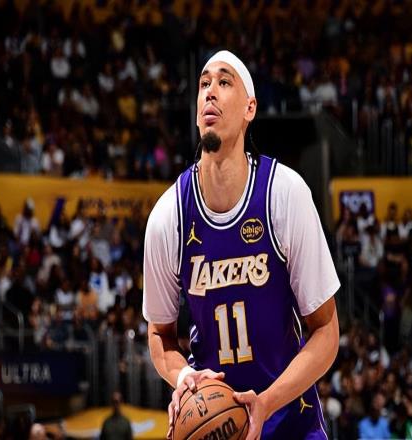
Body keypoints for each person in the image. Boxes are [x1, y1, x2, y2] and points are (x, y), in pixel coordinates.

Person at [143, 50, 340, 439]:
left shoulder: (284, 194)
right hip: (216, 424)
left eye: (223, 82)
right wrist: (182, 376)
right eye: (204, 84)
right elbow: (159, 335)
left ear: (250, 107)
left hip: (290, 420)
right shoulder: (169, 215)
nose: (210, 92)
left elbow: (327, 332)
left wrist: (266, 402)